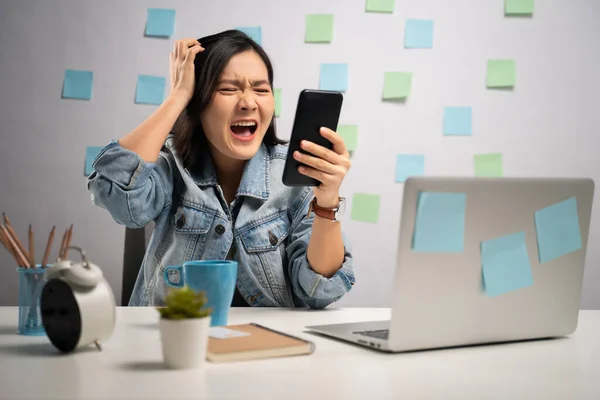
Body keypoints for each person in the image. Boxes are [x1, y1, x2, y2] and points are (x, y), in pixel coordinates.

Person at [87, 30, 355, 308]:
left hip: (266, 345)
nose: (249, 103)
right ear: (197, 103)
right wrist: (178, 97)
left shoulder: (291, 179)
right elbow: (116, 196)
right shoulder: (171, 167)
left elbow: (319, 290)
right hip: (176, 337)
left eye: (261, 89)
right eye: (228, 89)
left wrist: (327, 202)